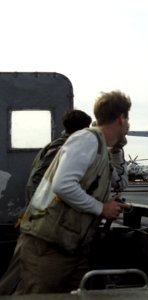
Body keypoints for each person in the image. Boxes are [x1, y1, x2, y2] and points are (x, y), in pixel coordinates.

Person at [15, 90, 131, 294]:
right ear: (121, 118)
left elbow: (119, 183)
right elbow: (63, 185)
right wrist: (101, 208)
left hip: (71, 247)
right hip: (50, 247)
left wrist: (116, 152)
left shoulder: (99, 148)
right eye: (128, 118)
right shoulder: (87, 139)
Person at [0, 109, 92, 295]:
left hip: (36, 218)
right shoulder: (61, 148)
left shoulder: (55, 145)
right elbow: (38, 180)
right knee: (23, 276)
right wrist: (42, 212)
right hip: (40, 221)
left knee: (21, 273)